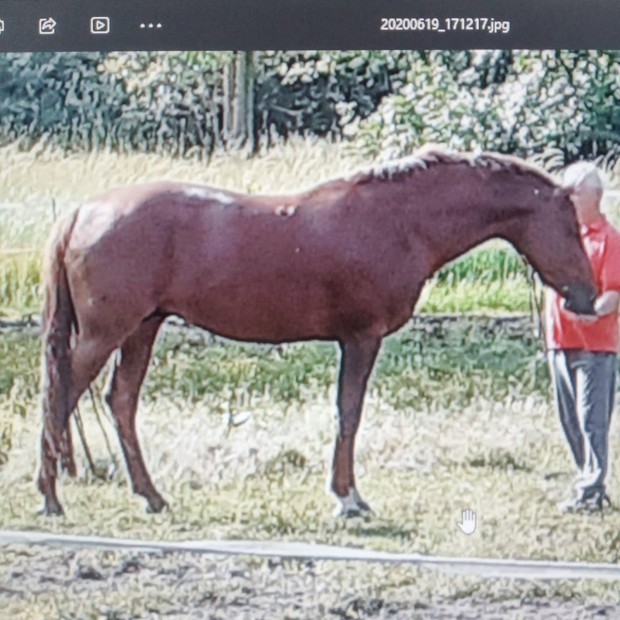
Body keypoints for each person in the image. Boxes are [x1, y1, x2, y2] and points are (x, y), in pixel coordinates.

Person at [544, 161, 620, 513]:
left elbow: (614, 292)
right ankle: (586, 481)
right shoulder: (560, 237)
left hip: (595, 345)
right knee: (569, 419)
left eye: (575, 194)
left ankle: (591, 490)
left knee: (592, 419)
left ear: (594, 197)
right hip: (559, 340)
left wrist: (594, 313)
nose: (570, 201)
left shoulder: (610, 240)